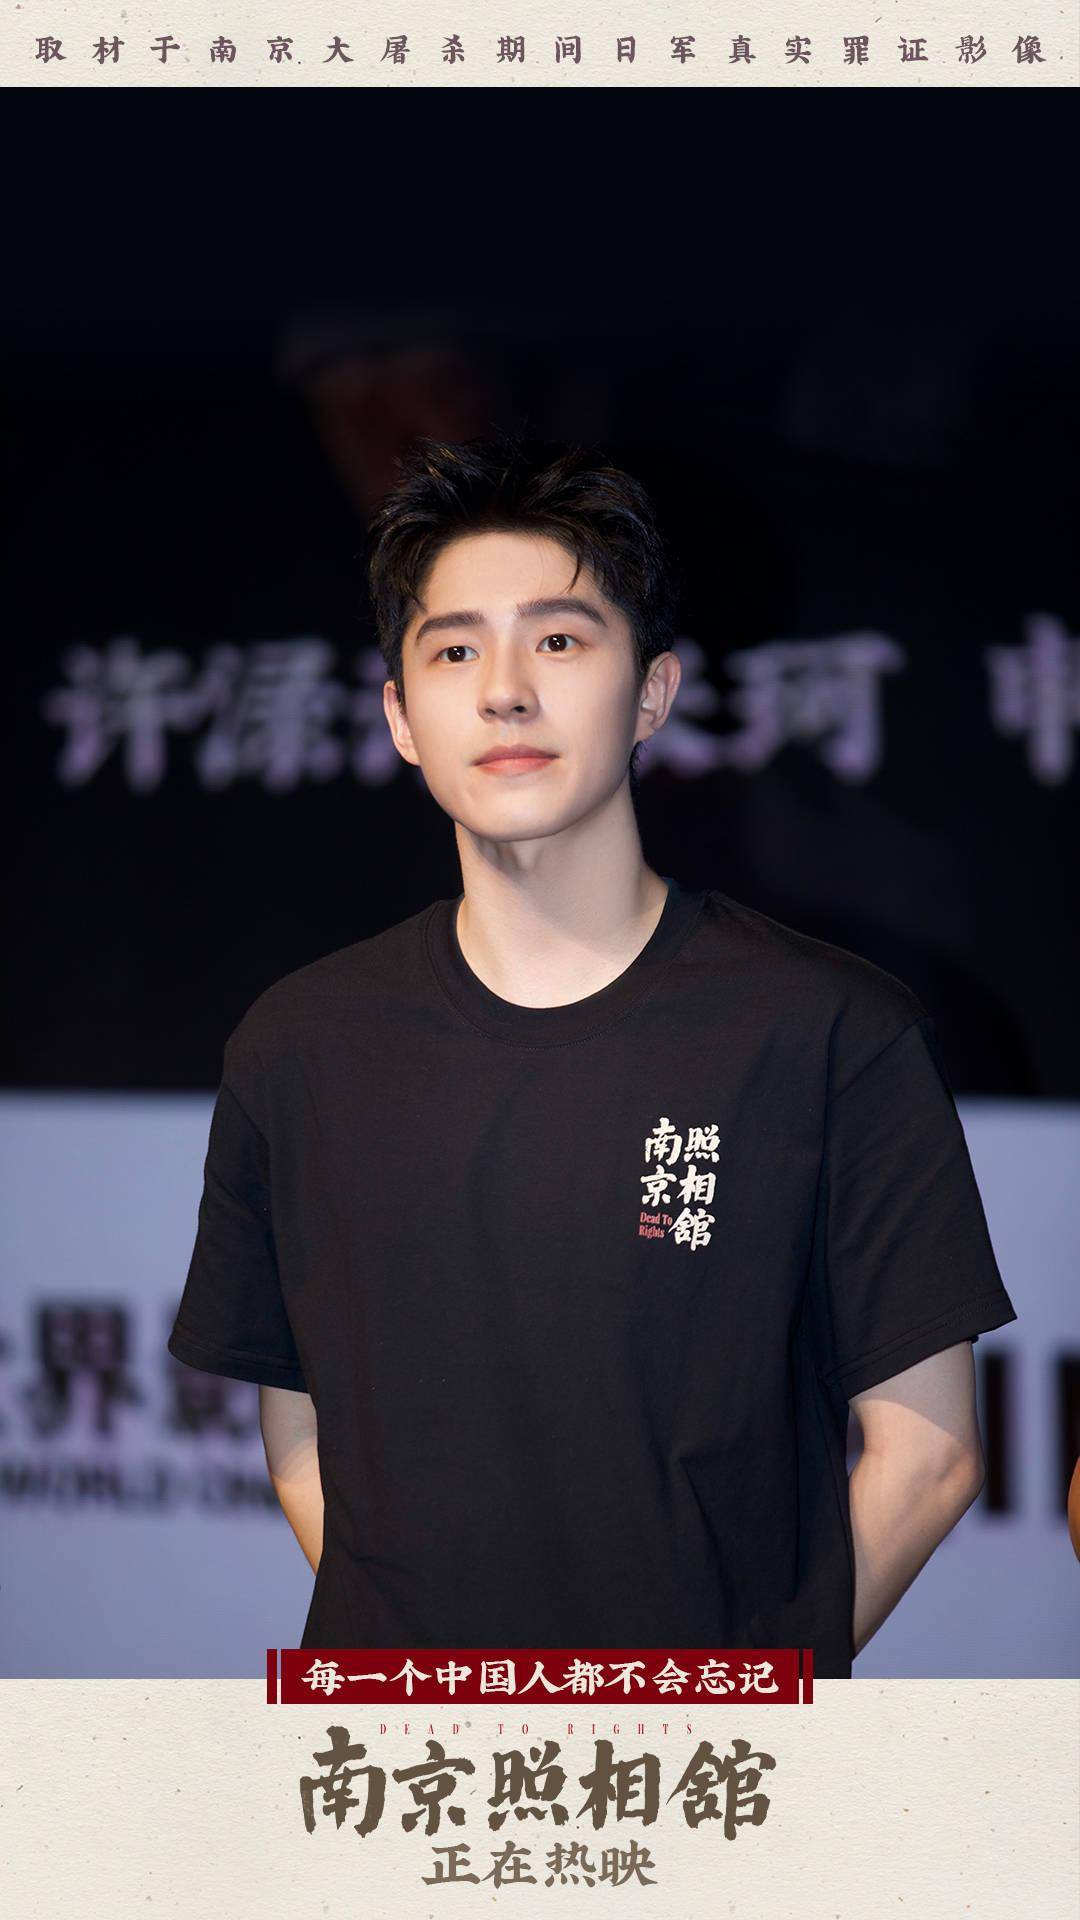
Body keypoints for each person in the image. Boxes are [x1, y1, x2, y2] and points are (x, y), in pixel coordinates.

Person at [167, 432, 1017, 1676]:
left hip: (712, 1760)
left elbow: (930, 1453)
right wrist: (459, 1683)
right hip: (409, 1757)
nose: (505, 692)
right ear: (400, 716)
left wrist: (727, 1702)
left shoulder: (830, 1030)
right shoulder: (300, 1047)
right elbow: (299, 1428)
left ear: (654, 692)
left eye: (560, 642)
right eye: (454, 651)